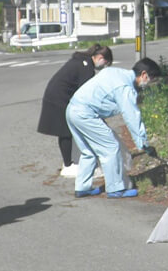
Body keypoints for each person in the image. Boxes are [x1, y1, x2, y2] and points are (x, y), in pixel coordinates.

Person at [66, 57, 161, 198]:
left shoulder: (116, 72)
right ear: (144, 74)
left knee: (88, 151)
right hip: (86, 114)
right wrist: (144, 144)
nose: (149, 84)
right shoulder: (125, 88)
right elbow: (132, 117)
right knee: (111, 147)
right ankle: (115, 188)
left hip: (72, 109)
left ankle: (82, 187)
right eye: (151, 80)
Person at [37, 44, 113, 178]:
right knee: (65, 131)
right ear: (100, 57)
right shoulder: (86, 67)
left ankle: (72, 161)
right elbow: (87, 94)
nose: (103, 67)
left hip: (57, 95)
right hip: (59, 98)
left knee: (70, 130)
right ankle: (68, 165)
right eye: (105, 63)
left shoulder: (81, 61)